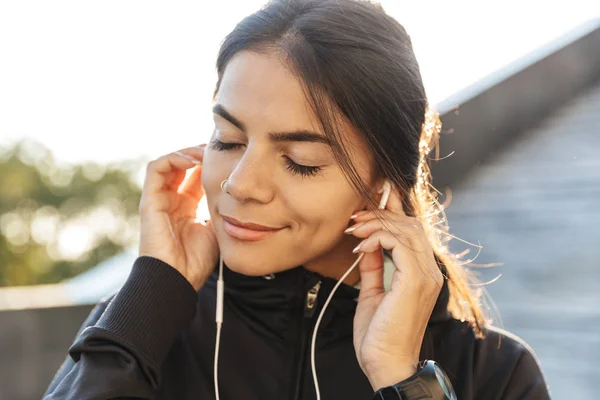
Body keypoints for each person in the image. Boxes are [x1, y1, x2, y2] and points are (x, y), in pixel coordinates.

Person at [43, 0, 551, 399]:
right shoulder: (143, 334)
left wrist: (402, 379)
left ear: (386, 182)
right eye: (228, 139)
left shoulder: (493, 374)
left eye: (301, 160)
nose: (240, 184)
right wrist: (150, 295)